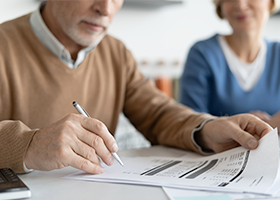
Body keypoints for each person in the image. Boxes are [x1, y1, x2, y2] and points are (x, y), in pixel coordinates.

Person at [0, 0, 272, 175]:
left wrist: (207, 128)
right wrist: (29, 144)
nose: (106, 9)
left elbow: (158, 113)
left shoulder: (115, 52)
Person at [180, 0, 280, 129]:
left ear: (271, 3)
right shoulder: (202, 53)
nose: (240, 5)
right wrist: (263, 126)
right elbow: (190, 123)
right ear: (220, 6)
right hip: (219, 149)